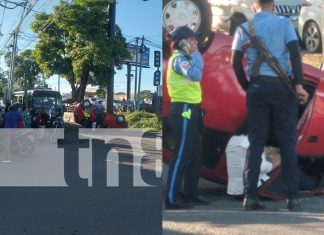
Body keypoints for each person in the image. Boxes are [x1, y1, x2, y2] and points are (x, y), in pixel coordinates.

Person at [231, 0, 309, 211]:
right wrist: (299, 85)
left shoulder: (244, 28)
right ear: (273, 6)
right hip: (283, 89)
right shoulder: (284, 24)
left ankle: (250, 197)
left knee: (256, 143)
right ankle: (293, 199)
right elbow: (295, 55)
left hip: (257, 89)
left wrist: (247, 86)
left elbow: (235, 62)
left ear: (254, 7)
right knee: (287, 143)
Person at [165, 25, 208, 209]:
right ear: (182, 43)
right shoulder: (179, 60)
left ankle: (191, 194)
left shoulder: (187, 58)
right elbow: (196, 75)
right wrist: (197, 54)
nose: (196, 42)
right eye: (192, 40)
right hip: (183, 109)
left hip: (193, 109)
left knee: (195, 154)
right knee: (181, 154)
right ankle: (171, 198)